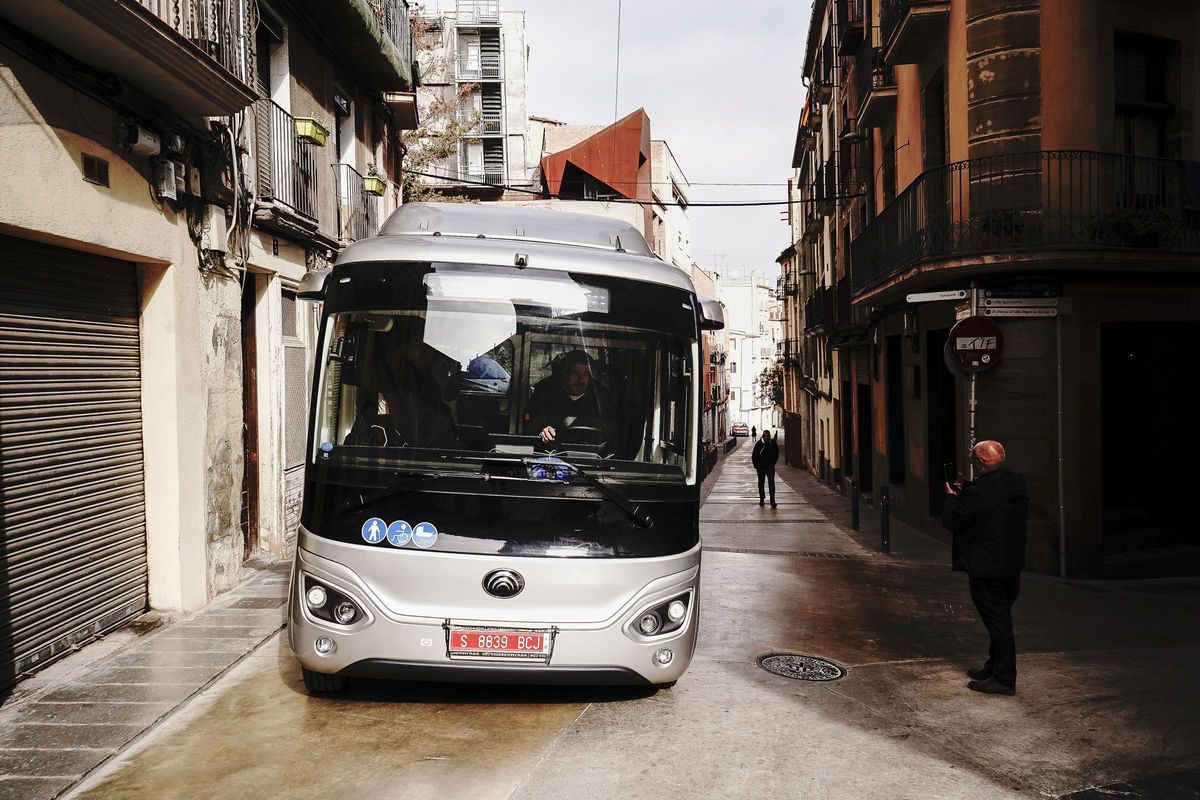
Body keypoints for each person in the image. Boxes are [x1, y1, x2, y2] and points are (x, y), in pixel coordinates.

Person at [942, 440, 1029, 696]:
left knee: (998, 623)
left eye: (973, 461)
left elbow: (954, 520)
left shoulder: (979, 492)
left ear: (980, 462)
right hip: (1010, 565)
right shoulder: (1015, 483)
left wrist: (951, 498)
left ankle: (1004, 679)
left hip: (986, 568)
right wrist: (967, 490)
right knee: (1000, 618)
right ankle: (995, 667)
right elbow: (991, 501)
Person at [525, 350, 607, 445]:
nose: (581, 380)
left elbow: (611, 431)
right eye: (576, 373)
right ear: (564, 373)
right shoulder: (545, 392)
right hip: (551, 454)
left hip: (593, 455)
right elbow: (531, 422)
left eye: (586, 374)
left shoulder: (602, 397)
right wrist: (542, 430)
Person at [751, 428, 779, 508]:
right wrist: (756, 466)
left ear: (769, 436)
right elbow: (754, 456)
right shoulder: (759, 444)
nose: (766, 438)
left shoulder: (772, 443)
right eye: (765, 436)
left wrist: (773, 463)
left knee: (771, 484)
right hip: (760, 468)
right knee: (761, 483)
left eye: (768, 436)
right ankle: (762, 499)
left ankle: (772, 501)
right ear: (763, 436)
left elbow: (776, 454)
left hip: (770, 467)